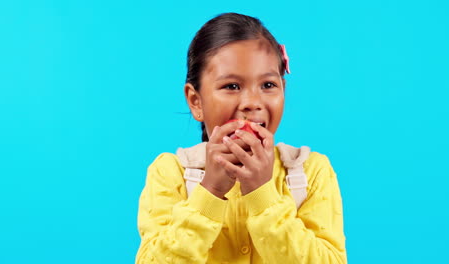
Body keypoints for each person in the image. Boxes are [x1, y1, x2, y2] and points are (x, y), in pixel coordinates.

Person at [135, 13, 347, 263]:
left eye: (268, 85)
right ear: (196, 101)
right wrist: (210, 191)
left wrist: (262, 195)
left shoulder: (311, 172)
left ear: (283, 90)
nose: (252, 103)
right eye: (232, 86)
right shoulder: (170, 173)